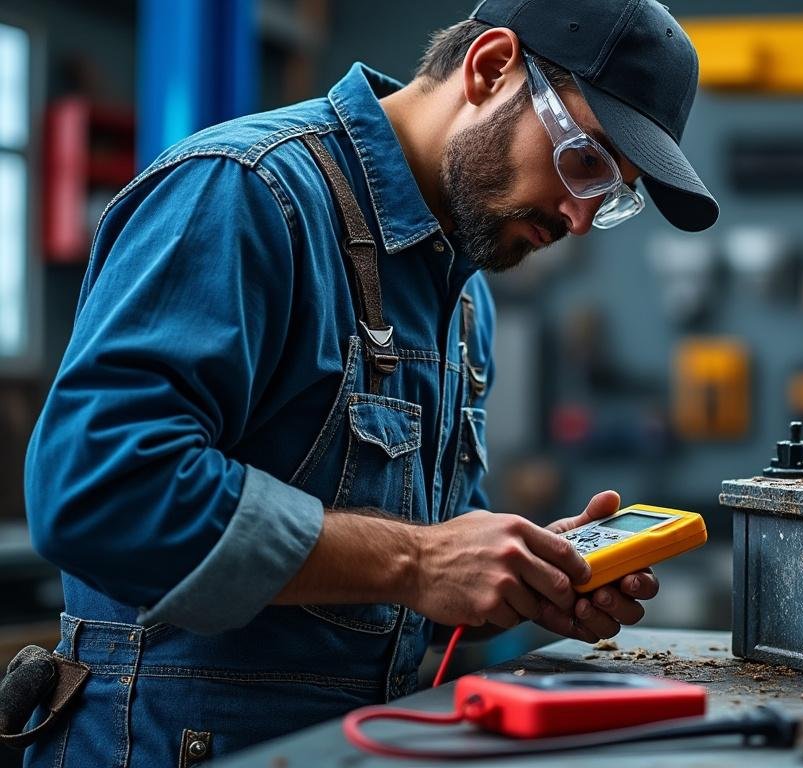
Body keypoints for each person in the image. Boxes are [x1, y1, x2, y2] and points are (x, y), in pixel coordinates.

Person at [21, 0, 718, 763]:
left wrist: (513, 578)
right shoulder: (246, 194)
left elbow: (406, 576)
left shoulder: (462, 293)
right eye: (583, 160)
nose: (580, 217)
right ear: (490, 69)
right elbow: (100, 490)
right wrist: (419, 562)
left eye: (612, 197)